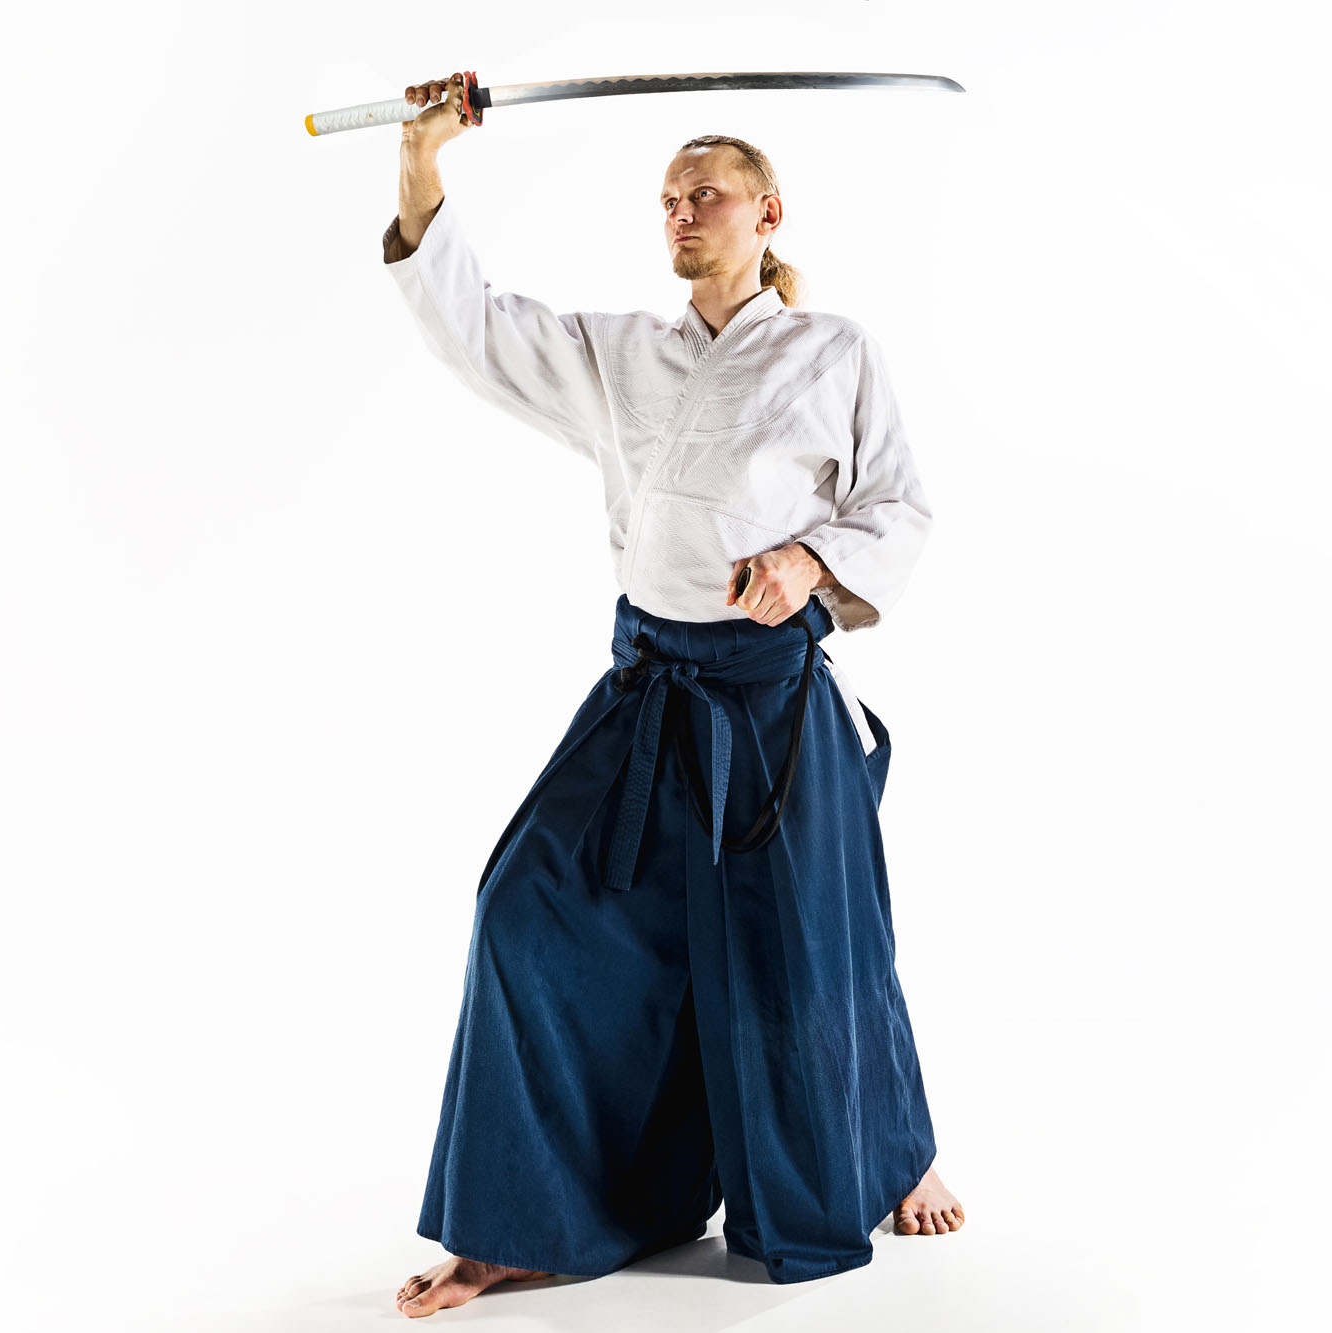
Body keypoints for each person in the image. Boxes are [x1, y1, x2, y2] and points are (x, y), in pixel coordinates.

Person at [381, 73, 964, 1318]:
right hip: (648, 688)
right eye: (667, 199)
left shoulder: (832, 350)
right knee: (523, 909)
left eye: (707, 194)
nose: (682, 213)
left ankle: (887, 1159)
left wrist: (809, 563)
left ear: (767, 214)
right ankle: (527, 1219)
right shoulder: (619, 355)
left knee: (809, 950)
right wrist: (423, 158)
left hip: (769, 702)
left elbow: (898, 505)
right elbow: (472, 324)